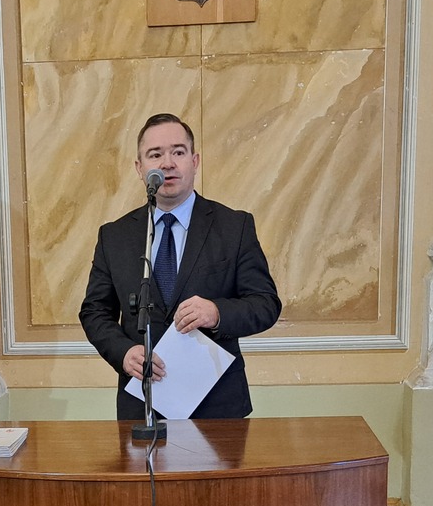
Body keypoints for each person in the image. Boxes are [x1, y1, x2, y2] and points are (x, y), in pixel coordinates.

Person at [78, 113, 281, 419]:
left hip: (218, 407)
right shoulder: (114, 236)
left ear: (194, 161)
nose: (168, 163)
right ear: (139, 168)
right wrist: (124, 352)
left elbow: (265, 304)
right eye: (155, 155)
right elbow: (95, 311)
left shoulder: (234, 227)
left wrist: (217, 312)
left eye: (178, 152)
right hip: (143, 405)